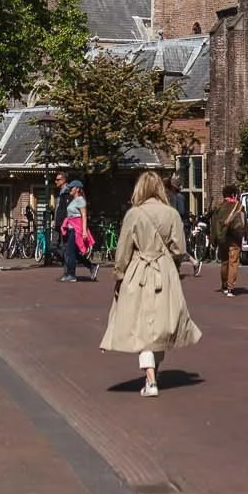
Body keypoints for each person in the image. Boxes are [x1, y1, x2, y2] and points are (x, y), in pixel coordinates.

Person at [101, 169, 202, 395]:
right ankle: (153, 373)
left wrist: (119, 275)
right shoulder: (171, 214)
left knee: (142, 326)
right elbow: (180, 249)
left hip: (139, 271)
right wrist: (168, 259)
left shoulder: (134, 214)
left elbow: (123, 250)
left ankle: (151, 380)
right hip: (164, 270)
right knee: (160, 326)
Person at [210, 183, 247, 296]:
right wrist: (246, 235)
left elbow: (214, 226)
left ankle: (224, 286)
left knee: (224, 262)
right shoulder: (239, 206)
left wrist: (213, 241)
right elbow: (244, 223)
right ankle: (230, 288)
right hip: (235, 238)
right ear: (234, 194)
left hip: (222, 239)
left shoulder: (219, 207)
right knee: (233, 262)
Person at [60, 178, 87, 281]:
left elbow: (84, 216)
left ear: (77, 189)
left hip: (76, 229)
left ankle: (72, 275)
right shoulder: (74, 200)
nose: (70, 189)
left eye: (72, 187)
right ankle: (70, 273)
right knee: (70, 252)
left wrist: (84, 231)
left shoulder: (80, 200)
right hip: (70, 228)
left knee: (70, 252)